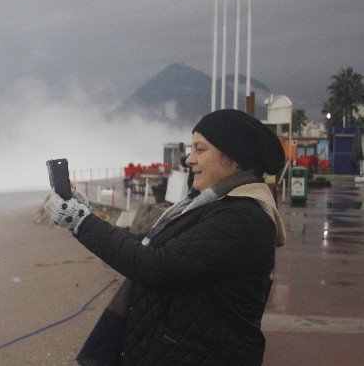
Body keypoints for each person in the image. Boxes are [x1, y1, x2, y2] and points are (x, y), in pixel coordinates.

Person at [44, 109, 287, 365]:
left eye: (200, 149)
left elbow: (157, 265)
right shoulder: (211, 206)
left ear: (234, 159)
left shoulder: (242, 219)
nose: (189, 159)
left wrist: (81, 222)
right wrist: (82, 217)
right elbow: (144, 242)